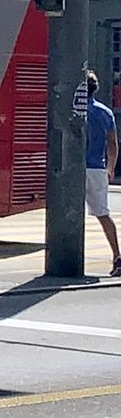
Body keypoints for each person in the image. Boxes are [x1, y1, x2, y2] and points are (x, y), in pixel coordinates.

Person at [84, 70, 121, 277]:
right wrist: (111, 167)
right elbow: (113, 143)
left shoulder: (75, 110)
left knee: (67, 214)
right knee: (103, 214)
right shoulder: (105, 112)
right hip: (98, 167)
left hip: (74, 169)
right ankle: (117, 256)